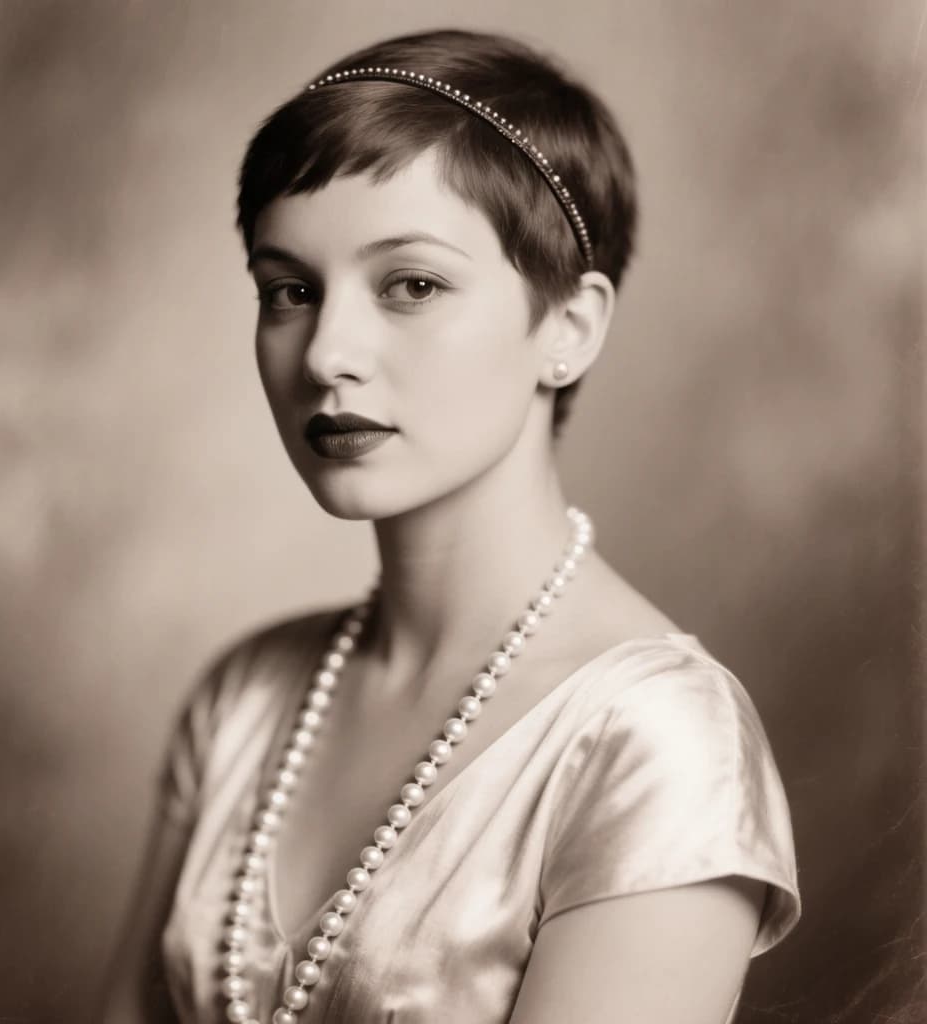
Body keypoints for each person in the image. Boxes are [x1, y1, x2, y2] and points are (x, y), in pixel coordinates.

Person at [99, 28, 801, 1024]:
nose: (327, 352)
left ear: (568, 326)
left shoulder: (656, 745)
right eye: (289, 291)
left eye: (412, 285)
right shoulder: (243, 697)